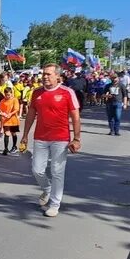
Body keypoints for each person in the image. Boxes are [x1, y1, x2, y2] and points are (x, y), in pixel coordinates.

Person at [19, 64, 81, 218]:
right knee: (37, 169)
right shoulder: (37, 92)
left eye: (48, 74)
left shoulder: (67, 92)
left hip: (60, 138)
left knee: (57, 172)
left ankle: (54, 204)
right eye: (44, 74)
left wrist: (76, 138)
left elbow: (75, 116)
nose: (45, 77)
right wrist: (25, 135)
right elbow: (31, 114)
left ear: (58, 76)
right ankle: (47, 189)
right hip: (40, 137)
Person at [0, 87, 20, 155]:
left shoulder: (14, 100)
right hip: (6, 120)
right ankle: (6, 149)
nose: (7, 96)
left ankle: (14, 146)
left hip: (13, 120)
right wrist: (2, 113)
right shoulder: (3, 101)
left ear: (11, 93)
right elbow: (0, 109)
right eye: (6, 95)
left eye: (9, 95)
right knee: (7, 133)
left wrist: (10, 114)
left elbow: (16, 109)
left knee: (13, 133)